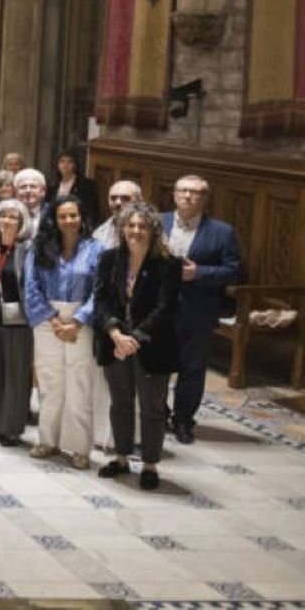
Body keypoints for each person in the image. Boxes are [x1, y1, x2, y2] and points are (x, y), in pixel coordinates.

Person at [95, 203, 181, 491]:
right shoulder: (108, 259)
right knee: (120, 403)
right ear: (122, 229)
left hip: (152, 346)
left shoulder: (168, 264)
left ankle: (150, 464)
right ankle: (121, 458)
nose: (135, 231)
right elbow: (102, 300)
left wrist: (135, 339)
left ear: (153, 231)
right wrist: (115, 334)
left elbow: (165, 307)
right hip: (116, 343)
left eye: (142, 226)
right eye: (130, 225)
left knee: (152, 408)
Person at [162, 174, 242, 444]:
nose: (188, 196)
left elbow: (233, 271)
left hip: (198, 311)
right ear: (174, 194)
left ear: (205, 199)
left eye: (195, 193)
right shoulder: (158, 223)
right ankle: (157, 413)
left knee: (192, 369)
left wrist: (198, 273)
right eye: (183, 190)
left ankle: (183, 420)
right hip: (159, 309)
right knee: (156, 364)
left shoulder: (222, 231)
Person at [23, 195, 101, 468]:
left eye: (73, 215)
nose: (69, 221)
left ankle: (80, 448)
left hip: (82, 320)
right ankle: (47, 441)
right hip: (47, 319)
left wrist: (78, 320)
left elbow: (100, 290)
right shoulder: (39, 247)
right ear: (53, 220)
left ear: (82, 218)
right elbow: (30, 286)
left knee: (79, 384)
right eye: (63, 216)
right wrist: (52, 319)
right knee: (49, 382)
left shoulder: (96, 249)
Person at [0, 200, 33, 445]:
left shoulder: (27, 250)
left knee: (16, 374)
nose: (7, 221)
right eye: (3, 216)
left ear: (22, 223)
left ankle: (10, 428)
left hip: (18, 320)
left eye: (13, 217)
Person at [46, 149, 99, 225]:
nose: (65, 165)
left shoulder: (87, 185)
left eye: (69, 162)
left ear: (75, 165)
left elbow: (91, 211)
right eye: (62, 161)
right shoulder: (52, 186)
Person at [92, 180, 143, 250]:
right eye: (113, 198)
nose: (118, 203)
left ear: (139, 201)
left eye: (125, 198)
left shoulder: (150, 230)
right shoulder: (99, 233)